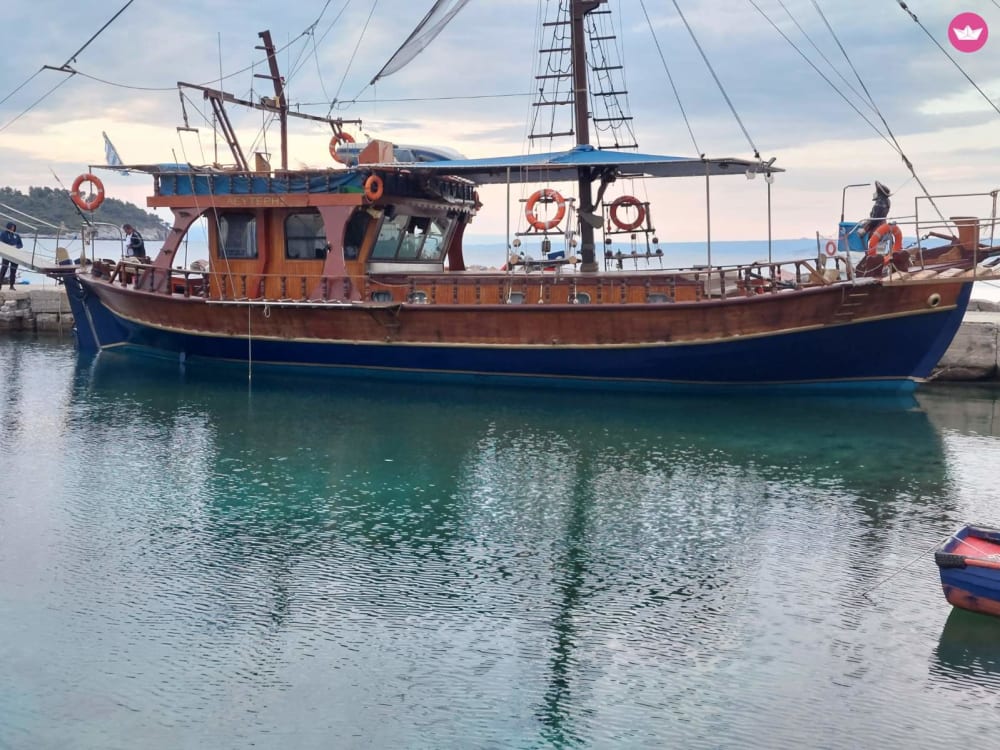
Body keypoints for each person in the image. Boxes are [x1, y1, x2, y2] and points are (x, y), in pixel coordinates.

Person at [0, 221, 23, 290]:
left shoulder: (16, 235)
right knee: (3, 269)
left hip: (15, 255)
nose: (12, 229)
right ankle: (0, 284)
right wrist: (7, 246)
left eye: (13, 227)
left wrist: (16, 247)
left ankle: (11, 285)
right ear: (8, 227)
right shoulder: (3, 234)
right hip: (6, 254)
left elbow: (21, 244)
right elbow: (1, 242)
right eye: (11, 227)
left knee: (13, 270)